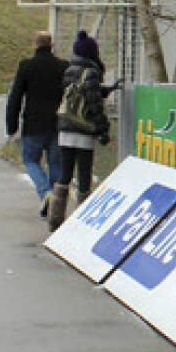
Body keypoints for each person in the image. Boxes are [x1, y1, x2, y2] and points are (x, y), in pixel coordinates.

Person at [48, 29, 112, 232]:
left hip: (66, 129)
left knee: (64, 176)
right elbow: (93, 103)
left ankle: (55, 218)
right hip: (83, 131)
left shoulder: (69, 70)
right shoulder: (92, 72)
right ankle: (81, 224)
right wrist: (103, 127)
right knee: (84, 177)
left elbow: (75, 95)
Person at [5, 30, 67, 218]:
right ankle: (56, 203)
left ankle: (45, 192)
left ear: (34, 46)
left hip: (33, 125)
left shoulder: (26, 66)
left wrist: (11, 125)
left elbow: (15, 97)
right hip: (57, 124)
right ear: (52, 45)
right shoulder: (63, 66)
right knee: (55, 163)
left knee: (31, 161)